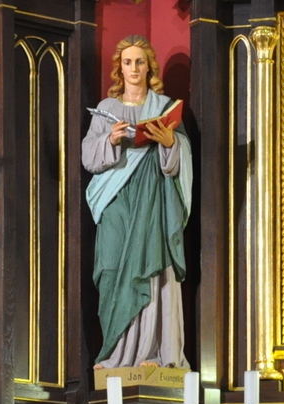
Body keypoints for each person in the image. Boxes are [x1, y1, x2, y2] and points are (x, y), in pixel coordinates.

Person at [83, 34, 192, 369]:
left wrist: (170, 142)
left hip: (153, 199)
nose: (133, 68)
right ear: (120, 68)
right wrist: (110, 139)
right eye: (127, 62)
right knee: (112, 268)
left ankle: (153, 352)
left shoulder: (164, 107)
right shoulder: (106, 108)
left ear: (149, 67)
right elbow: (88, 156)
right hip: (115, 199)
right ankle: (116, 353)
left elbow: (182, 157)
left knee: (152, 266)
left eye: (140, 62)